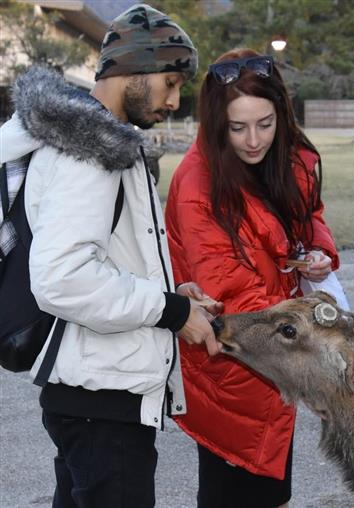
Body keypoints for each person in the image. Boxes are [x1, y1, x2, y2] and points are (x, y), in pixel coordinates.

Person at [0, 4, 222, 507]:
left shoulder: (104, 144)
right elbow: (63, 278)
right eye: (169, 82)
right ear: (132, 70)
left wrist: (172, 295)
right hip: (101, 397)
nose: (175, 99)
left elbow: (110, 258)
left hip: (94, 388)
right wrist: (172, 311)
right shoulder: (90, 153)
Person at [165, 48, 341, 507]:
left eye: (265, 123)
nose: (253, 140)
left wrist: (317, 251)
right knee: (238, 485)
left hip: (276, 350)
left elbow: (309, 215)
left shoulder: (291, 157)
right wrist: (308, 367)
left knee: (270, 488)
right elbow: (228, 288)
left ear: (281, 112)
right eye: (237, 127)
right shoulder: (197, 182)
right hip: (235, 356)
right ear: (215, 121)